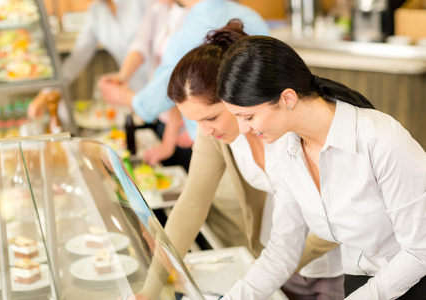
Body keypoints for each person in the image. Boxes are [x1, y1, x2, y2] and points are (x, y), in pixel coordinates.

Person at [217, 35, 426, 299]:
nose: (243, 129)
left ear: (287, 98)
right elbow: (283, 250)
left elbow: (420, 250)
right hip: (360, 280)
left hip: (413, 279)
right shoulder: (286, 151)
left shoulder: (381, 139)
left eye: (248, 116)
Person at [163, 20, 344, 299]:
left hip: (333, 265)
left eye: (210, 117)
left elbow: (335, 216)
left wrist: (275, 267)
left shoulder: (287, 123)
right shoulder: (214, 132)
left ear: (234, 93)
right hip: (273, 259)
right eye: (195, 122)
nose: (206, 131)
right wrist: (150, 287)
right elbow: (191, 205)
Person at [99, 0, 270, 143]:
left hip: (223, 139)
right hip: (256, 131)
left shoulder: (196, 26)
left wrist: (129, 99)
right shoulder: (248, 14)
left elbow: (172, 85)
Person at [98, 0, 193, 170]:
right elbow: (141, 43)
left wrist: (168, 143)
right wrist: (122, 76)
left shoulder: (192, 16)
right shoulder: (157, 7)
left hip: (185, 124)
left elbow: (179, 81)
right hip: (165, 117)